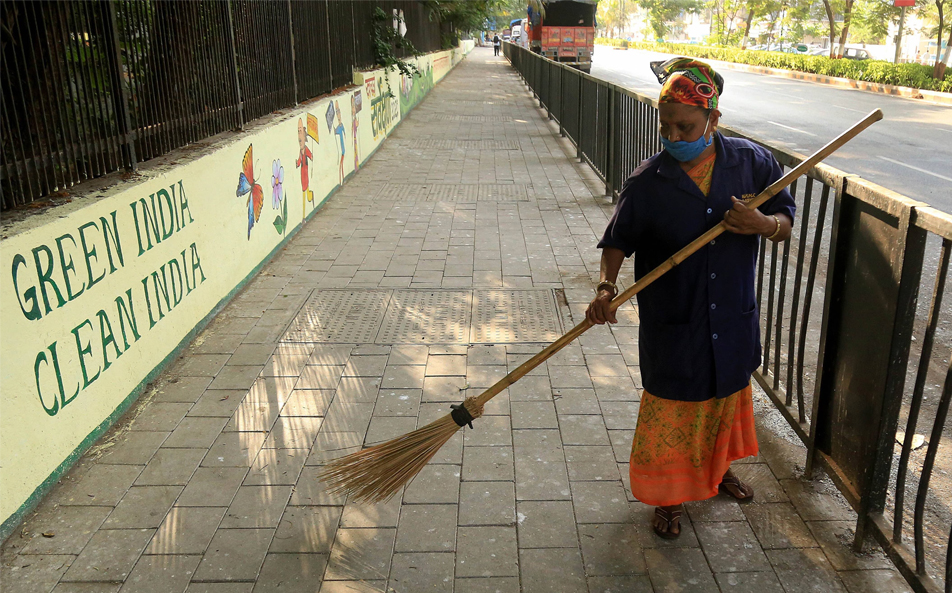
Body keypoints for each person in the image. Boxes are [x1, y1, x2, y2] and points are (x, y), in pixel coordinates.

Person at [585, 57, 795, 539]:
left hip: (731, 315)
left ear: (713, 119)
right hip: (675, 320)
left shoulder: (752, 163)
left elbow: (784, 218)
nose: (674, 136)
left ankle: (718, 472)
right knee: (673, 408)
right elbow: (617, 240)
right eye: (666, 127)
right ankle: (669, 496)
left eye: (686, 127)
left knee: (723, 398)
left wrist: (762, 224)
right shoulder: (648, 181)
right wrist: (605, 287)